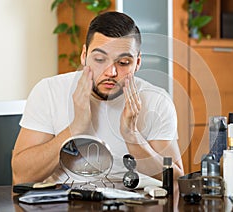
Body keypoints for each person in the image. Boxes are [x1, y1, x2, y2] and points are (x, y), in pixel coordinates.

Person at [11, 11, 184, 185]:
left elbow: (176, 180)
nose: (111, 72)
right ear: (84, 55)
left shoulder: (156, 100)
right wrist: (75, 129)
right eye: (100, 59)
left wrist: (132, 136)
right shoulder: (49, 91)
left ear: (137, 63)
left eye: (123, 63)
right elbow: (22, 176)